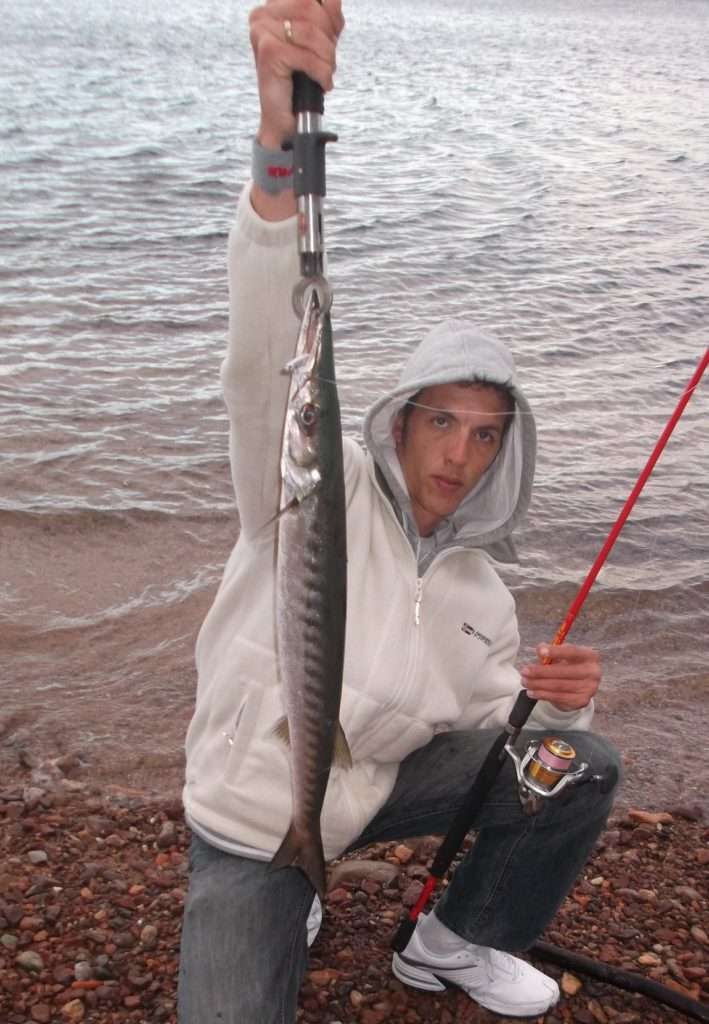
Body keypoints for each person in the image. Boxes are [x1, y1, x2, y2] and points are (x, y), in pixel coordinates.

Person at [177, 1, 621, 1020]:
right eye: (442, 421)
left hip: (367, 791)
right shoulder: (304, 487)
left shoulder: (480, 594)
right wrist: (278, 146)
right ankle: (290, 881)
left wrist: (560, 698)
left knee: (577, 762)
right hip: (254, 818)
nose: (458, 453)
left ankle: (452, 939)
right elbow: (260, 347)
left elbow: (493, 734)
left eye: (484, 434)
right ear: (400, 423)